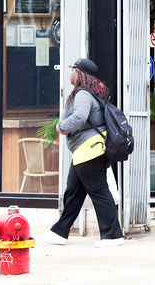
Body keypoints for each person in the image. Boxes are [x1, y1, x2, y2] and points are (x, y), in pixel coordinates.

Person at [43, 58, 125, 248]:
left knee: (99, 192)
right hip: (86, 150)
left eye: (72, 69)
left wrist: (61, 126)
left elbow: (79, 117)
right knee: (73, 191)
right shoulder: (93, 92)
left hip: (90, 149)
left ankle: (113, 235)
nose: (70, 73)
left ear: (79, 73)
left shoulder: (82, 94)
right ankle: (60, 232)